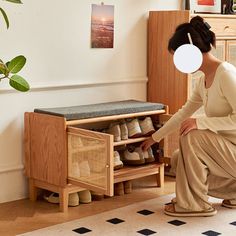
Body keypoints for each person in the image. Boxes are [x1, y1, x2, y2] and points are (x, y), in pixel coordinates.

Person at [141, 15, 236, 217]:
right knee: (178, 158)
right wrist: (154, 138)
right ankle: (232, 193)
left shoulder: (225, 73)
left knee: (191, 135)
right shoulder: (204, 81)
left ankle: (193, 204)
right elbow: (183, 112)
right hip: (229, 152)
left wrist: (200, 122)